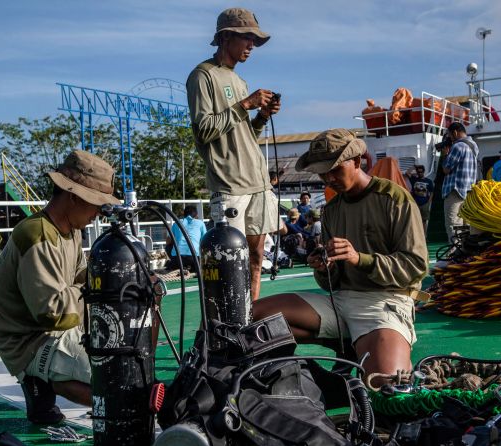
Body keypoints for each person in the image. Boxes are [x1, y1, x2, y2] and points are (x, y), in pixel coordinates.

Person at [253, 129, 428, 382]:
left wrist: (361, 259)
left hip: (384, 303)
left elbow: (415, 266)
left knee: (386, 385)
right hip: (340, 301)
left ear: (357, 162)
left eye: (335, 170)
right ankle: (351, 348)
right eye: (323, 173)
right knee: (254, 318)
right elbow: (331, 284)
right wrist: (324, 269)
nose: (329, 179)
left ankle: (363, 348)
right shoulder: (332, 209)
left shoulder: (395, 199)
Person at [0, 150, 119, 424]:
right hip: (28, 338)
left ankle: (41, 381)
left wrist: (115, 276)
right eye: (96, 204)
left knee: (121, 359)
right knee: (113, 381)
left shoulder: (71, 230)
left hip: (54, 326)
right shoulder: (36, 234)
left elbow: (79, 275)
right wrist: (103, 292)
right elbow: (52, 313)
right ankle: (41, 376)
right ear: (72, 196)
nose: (99, 213)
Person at [187, 7, 282, 302]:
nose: (251, 45)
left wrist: (261, 117)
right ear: (226, 37)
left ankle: (249, 324)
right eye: (246, 38)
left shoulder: (239, 82)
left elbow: (244, 136)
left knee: (255, 258)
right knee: (231, 263)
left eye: (254, 39)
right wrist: (245, 105)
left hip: (257, 181)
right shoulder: (203, 76)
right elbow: (204, 131)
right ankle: (228, 327)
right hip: (229, 185)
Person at [441, 122, 479, 244]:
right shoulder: (473, 146)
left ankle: (453, 255)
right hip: (468, 191)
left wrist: (445, 155)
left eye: (449, 135)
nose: (450, 139)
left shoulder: (458, 147)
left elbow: (446, 169)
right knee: (466, 225)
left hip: (455, 190)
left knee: (453, 224)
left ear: (455, 132)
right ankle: (465, 254)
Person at [165, 205, 207, 272]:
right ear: (196, 215)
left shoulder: (177, 223)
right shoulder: (200, 223)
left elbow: (168, 241)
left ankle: (175, 264)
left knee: (168, 246)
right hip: (194, 259)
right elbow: (205, 240)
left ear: (184, 214)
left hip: (177, 259)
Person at [405, 164, 434, 234]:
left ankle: (424, 236)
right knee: (416, 220)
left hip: (425, 204)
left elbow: (432, 192)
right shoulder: (414, 179)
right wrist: (414, 167)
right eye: (418, 172)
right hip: (416, 203)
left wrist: (429, 202)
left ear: (424, 172)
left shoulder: (429, 181)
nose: (420, 173)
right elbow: (407, 173)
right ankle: (418, 235)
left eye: (421, 172)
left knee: (424, 221)